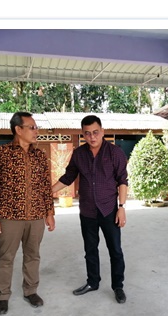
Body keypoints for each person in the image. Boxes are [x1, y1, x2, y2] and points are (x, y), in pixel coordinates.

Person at [51, 115, 128, 304]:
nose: (92, 137)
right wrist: (48, 191)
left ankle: (118, 286)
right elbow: (68, 177)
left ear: (102, 131)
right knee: (90, 249)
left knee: (115, 250)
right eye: (87, 133)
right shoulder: (79, 154)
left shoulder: (115, 153)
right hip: (87, 211)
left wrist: (122, 207)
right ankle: (93, 282)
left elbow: (122, 180)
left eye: (95, 132)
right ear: (83, 134)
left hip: (109, 210)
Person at [0, 111, 55, 316]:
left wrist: (49, 212)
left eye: (36, 127)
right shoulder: (0, 154)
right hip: (9, 217)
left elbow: (45, 186)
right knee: (5, 257)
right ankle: (3, 296)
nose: (36, 131)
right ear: (18, 129)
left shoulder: (39, 155)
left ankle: (31, 291)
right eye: (32, 127)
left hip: (36, 216)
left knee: (33, 255)